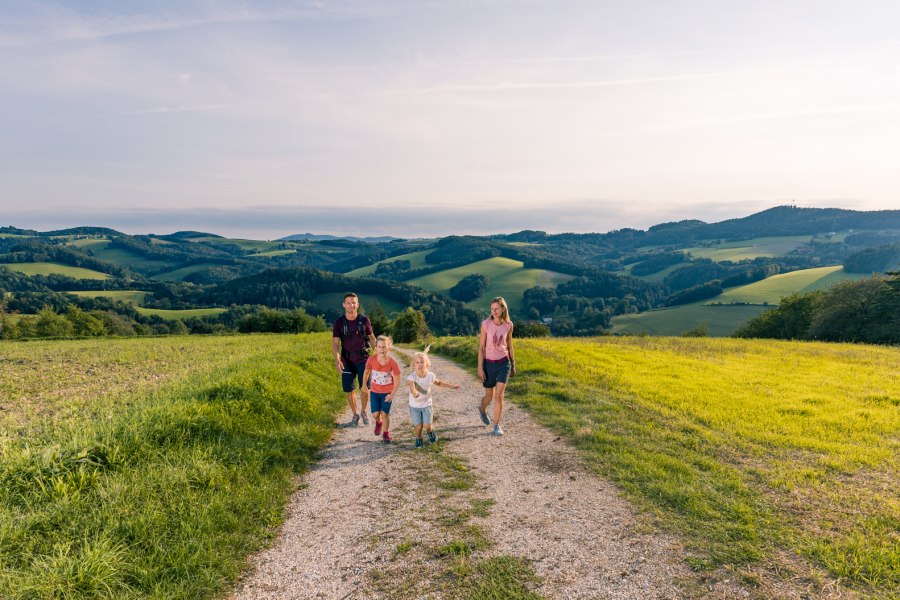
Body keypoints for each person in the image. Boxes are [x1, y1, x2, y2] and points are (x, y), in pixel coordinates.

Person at [332, 292, 377, 426]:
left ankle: (363, 411)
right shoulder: (339, 322)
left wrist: (379, 356)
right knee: (349, 390)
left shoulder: (364, 320)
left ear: (357, 304)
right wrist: (337, 360)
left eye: (354, 302)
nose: (351, 305)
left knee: (365, 388)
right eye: (348, 302)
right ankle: (355, 414)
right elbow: (335, 344)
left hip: (363, 359)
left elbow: (372, 338)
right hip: (347, 359)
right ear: (344, 305)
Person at [477, 296, 516, 436]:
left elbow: (510, 346)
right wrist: (480, 367)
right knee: (489, 397)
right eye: (492, 309)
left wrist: (513, 364)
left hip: (503, 363)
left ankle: (496, 425)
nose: (494, 311)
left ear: (503, 309)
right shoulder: (486, 325)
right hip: (489, 364)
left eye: (496, 309)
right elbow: (481, 348)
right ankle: (482, 409)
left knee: (499, 396)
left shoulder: (509, 325)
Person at [407, 346, 460, 448]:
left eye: (422, 362)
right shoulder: (411, 377)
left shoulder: (430, 376)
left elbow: (439, 383)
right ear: (414, 365)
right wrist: (414, 393)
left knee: (428, 426)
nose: (420, 364)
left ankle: (430, 432)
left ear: (427, 364)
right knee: (418, 426)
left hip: (427, 404)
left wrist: (452, 386)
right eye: (417, 362)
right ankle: (418, 438)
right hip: (414, 405)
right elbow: (412, 387)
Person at [362, 335, 401, 443]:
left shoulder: (392, 362)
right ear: (376, 348)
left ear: (389, 348)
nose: (381, 349)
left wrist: (392, 394)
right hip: (374, 392)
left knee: (385, 414)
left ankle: (386, 434)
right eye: (379, 347)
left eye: (384, 347)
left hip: (387, 392)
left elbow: (397, 380)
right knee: (375, 415)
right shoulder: (371, 359)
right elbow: (366, 372)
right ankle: (378, 422)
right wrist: (364, 385)